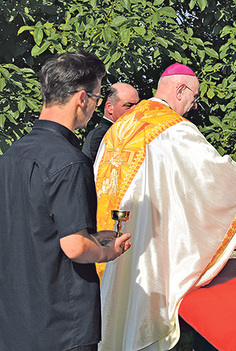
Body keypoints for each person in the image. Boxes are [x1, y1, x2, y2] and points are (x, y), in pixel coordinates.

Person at [93, 63, 236, 351]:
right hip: (145, 241)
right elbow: (210, 173)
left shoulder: (121, 126)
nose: (193, 105)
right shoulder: (173, 128)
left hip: (113, 233)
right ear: (179, 89)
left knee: (118, 308)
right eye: (194, 97)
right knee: (140, 313)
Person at [0, 52, 132, 351]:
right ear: (82, 98)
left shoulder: (11, 155)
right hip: (61, 322)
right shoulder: (69, 162)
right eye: (98, 98)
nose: (96, 106)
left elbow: (34, 230)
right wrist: (106, 251)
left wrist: (93, 237)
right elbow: (74, 247)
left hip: (14, 319)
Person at [82, 82, 139, 160]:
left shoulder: (115, 132)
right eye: (128, 105)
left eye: (137, 105)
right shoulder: (102, 136)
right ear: (110, 107)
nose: (135, 110)